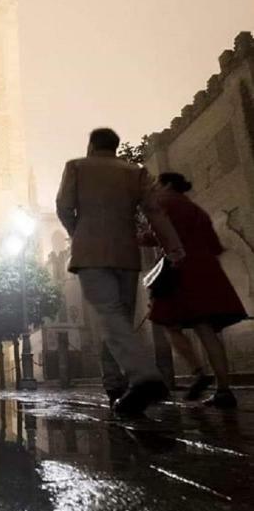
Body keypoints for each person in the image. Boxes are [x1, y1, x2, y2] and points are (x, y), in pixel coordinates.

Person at [56, 127, 185, 417]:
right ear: (115, 147)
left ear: (91, 145)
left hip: (91, 254)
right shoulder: (135, 171)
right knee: (119, 321)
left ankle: (144, 378)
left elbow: (64, 207)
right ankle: (117, 385)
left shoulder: (76, 167)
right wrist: (174, 247)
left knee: (111, 318)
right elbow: (155, 212)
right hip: (127, 253)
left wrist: (78, 232)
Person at [145, 172, 247, 408]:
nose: (154, 189)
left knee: (167, 323)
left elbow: (158, 233)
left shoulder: (163, 203)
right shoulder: (197, 210)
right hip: (206, 271)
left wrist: (142, 237)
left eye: (157, 184)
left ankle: (198, 370)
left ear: (167, 184)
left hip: (180, 270)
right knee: (206, 330)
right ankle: (224, 390)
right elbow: (215, 246)